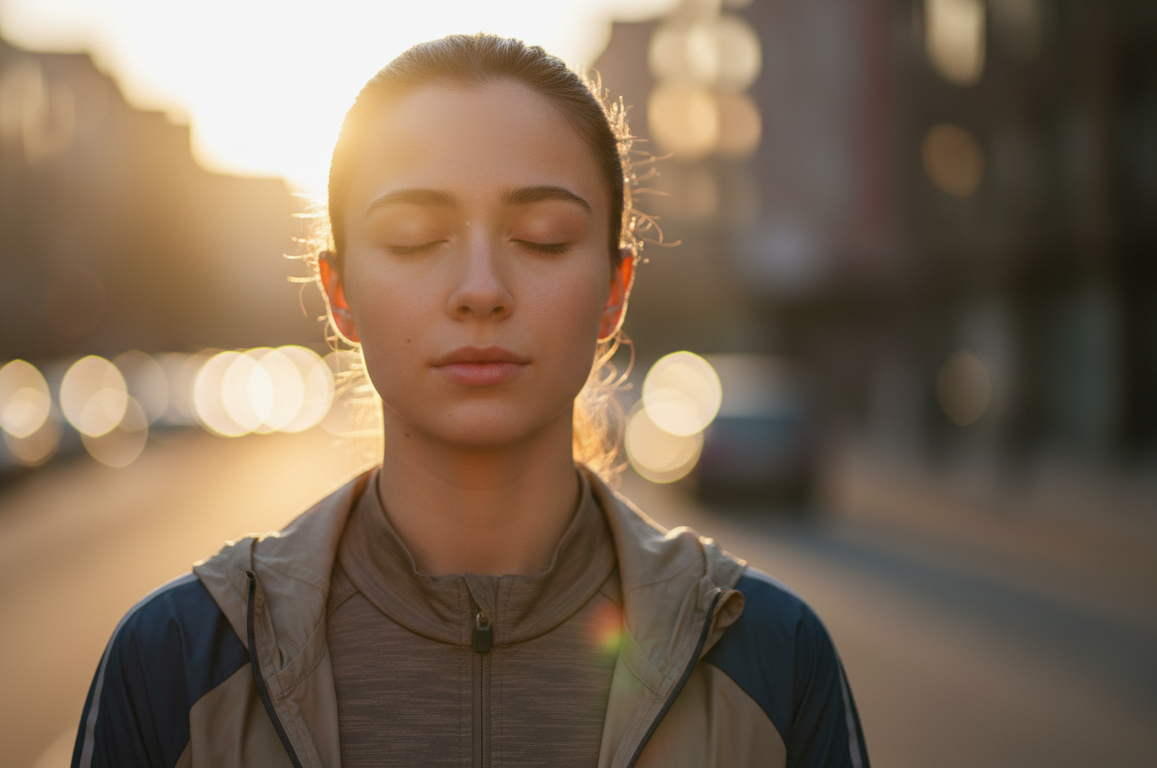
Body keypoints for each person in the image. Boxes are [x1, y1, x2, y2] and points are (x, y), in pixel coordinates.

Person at [72, 33, 867, 768]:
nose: (481, 290)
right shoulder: (177, 658)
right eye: (415, 237)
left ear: (614, 292)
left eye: (545, 237)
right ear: (339, 293)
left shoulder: (769, 655)